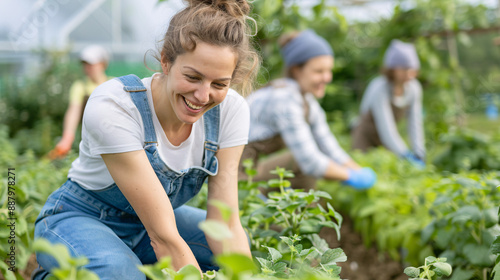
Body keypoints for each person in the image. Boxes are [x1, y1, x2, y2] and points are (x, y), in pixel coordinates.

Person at [32, 0, 260, 279]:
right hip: (82, 217)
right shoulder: (115, 105)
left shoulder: (231, 111)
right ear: (165, 60)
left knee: (230, 253)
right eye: (192, 76)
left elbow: (224, 221)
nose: (203, 96)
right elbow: (163, 236)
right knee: (119, 272)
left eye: (219, 84)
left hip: (144, 226)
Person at [239, 29, 376, 192]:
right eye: (319, 71)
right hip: (236, 174)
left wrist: (356, 169)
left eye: (328, 71)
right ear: (296, 70)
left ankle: (297, 212)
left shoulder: (306, 100)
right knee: (300, 162)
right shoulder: (283, 99)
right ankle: (300, 213)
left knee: (303, 160)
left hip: (254, 169)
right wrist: (350, 176)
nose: (328, 78)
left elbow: (327, 144)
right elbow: (310, 162)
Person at [351, 39, 425, 167]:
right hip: (366, 136)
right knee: (362, 167)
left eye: (412, 70)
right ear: (392, 69)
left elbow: (415, 122)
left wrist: (419, 152)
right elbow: (386, 127)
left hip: (387, 140)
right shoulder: (379, 88)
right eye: (404, 69)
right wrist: (404, 154)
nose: (408, 74)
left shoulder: (414, 88)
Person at [48, 44, 110, 159]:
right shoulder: (80, 87)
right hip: (90, 139)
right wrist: (67, 138)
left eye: (91, 64)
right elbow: (73, 110)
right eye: (85, 65)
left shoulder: (113, 84)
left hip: (112, 137)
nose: (87, 68)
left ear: (103, 64)